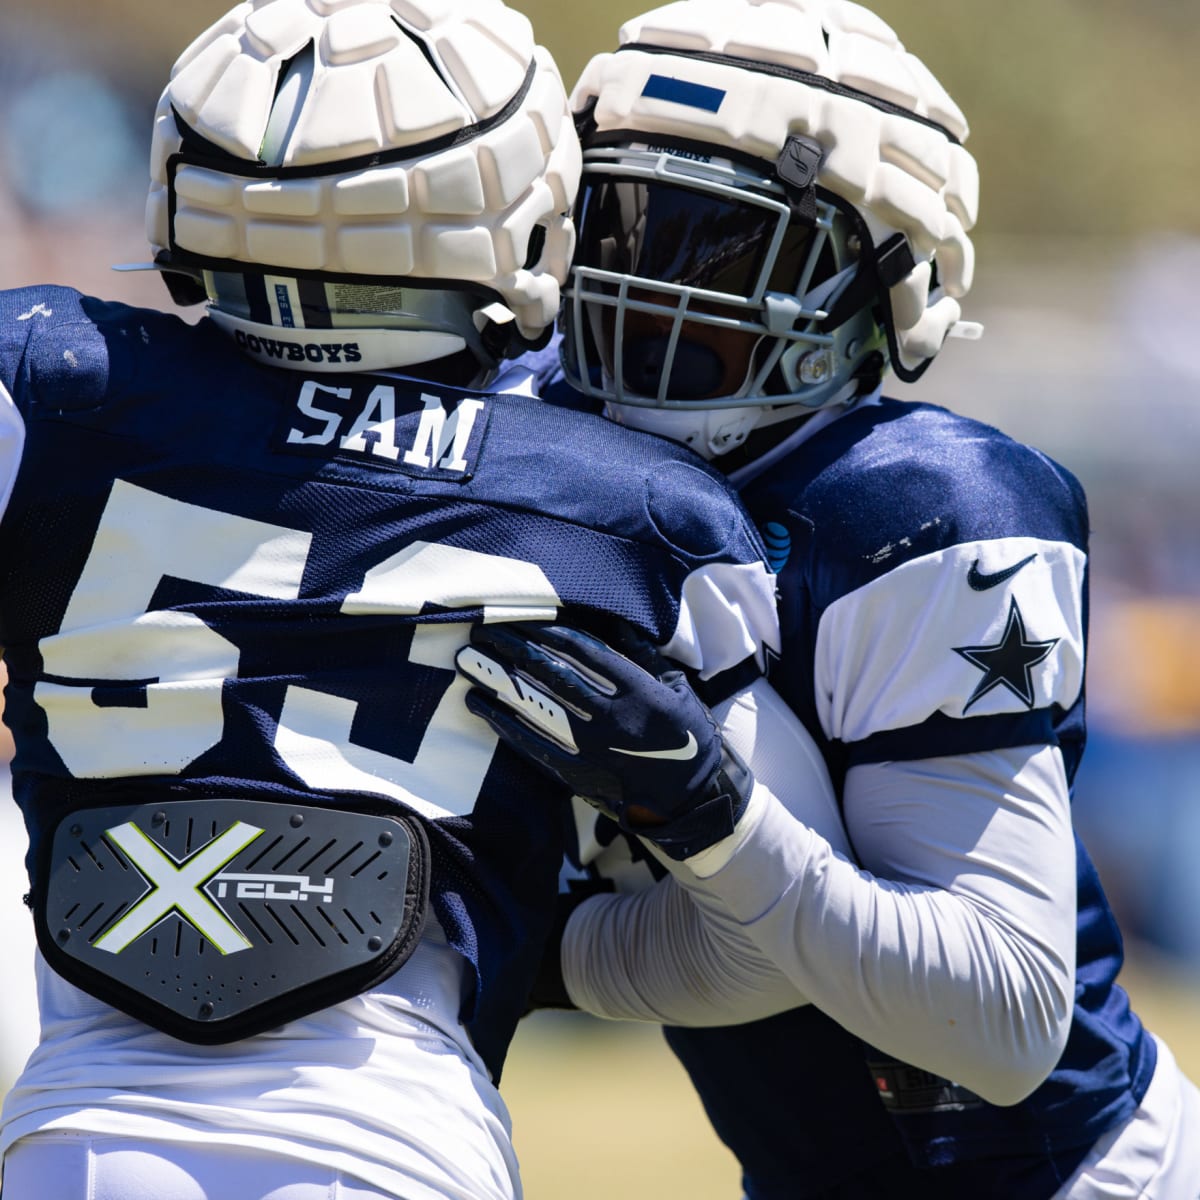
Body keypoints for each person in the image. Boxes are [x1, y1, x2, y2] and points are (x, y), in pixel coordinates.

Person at [0, 1, 845, 1196]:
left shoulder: (49, 382)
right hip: (394, 1137)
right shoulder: (630, 505)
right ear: (524, 213)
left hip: (74, 1133)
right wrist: (564, 953)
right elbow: (782, 930)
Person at [460, 1, 1200, 1197]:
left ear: (880, 284)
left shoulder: (920, 510)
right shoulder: (537, 440)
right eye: (621, 222)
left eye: (714, 246)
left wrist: (710, 819)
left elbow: (1000, 1021)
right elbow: (733, 947)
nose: (641, 288)